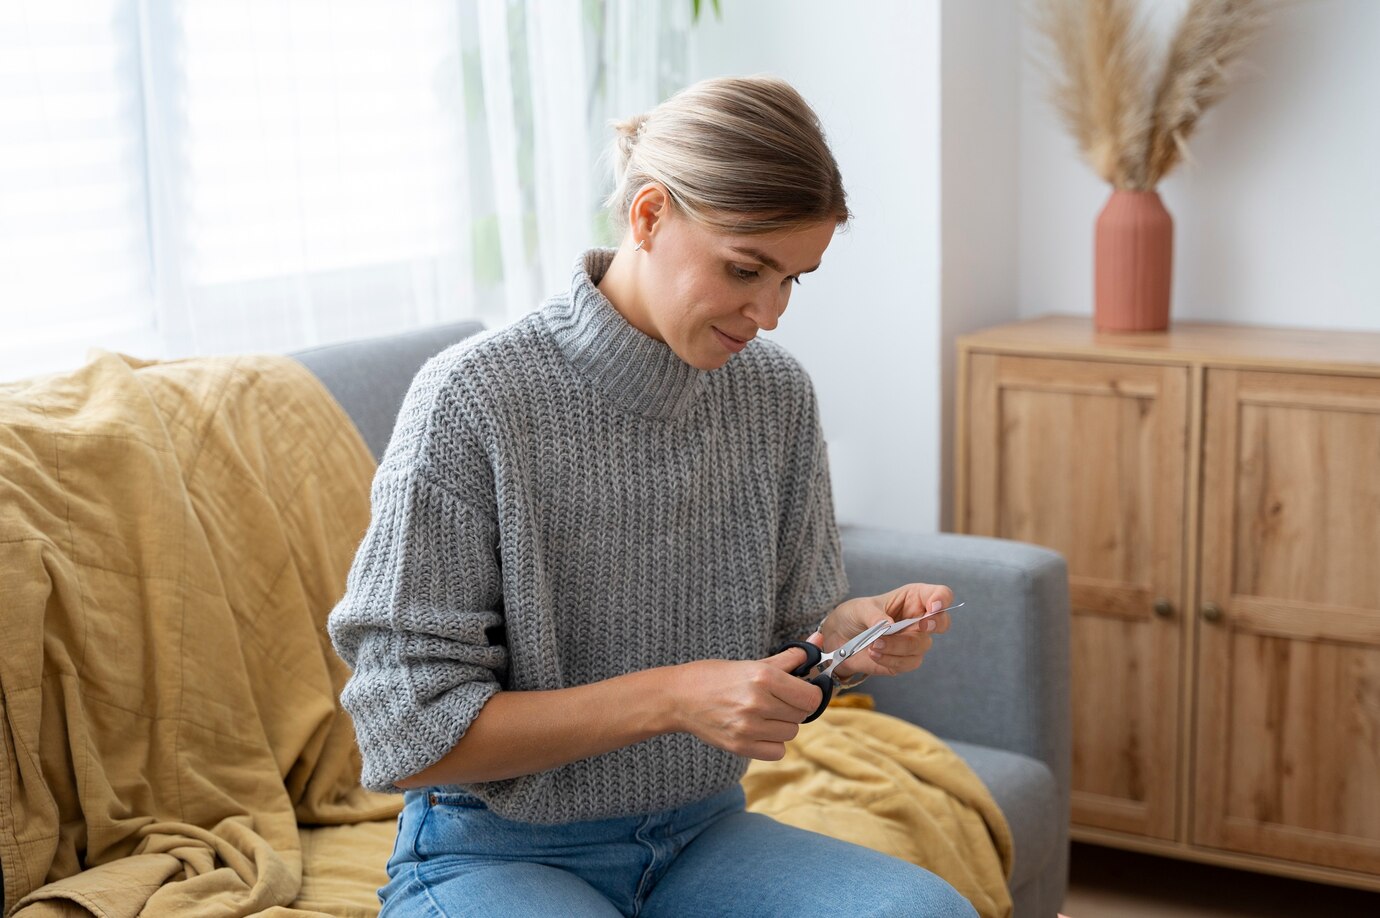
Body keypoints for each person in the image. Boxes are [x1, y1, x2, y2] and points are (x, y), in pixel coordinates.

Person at [326, 74, 978, 918]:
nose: (770, 313)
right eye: (747, 269)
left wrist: (840, 639)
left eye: (794, 279)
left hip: (704, 837)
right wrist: (673, 697)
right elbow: (405, 734)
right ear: (648, 216)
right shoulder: (475, 398)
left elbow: (784, 655)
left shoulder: (775, 396)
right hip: (493, 854)